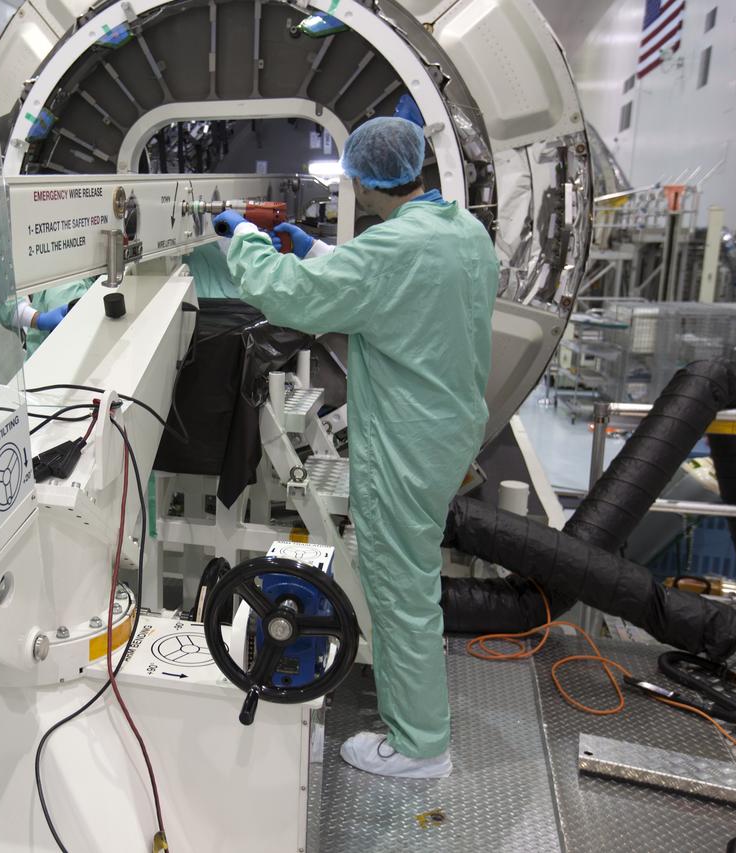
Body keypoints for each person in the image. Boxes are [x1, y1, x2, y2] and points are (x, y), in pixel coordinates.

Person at [215, 109, 497, 779]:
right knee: (409, 580)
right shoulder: (462, 232)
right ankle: (417, 725)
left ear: (367, 183)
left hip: (406, 442)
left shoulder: (394, 250)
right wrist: (316, 251)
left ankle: (421, 746)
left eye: (353, 185)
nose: (353, 193)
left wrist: (244, 241)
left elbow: (297, 300)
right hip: (447, 428)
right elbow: (392, 287)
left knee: (400, 590)